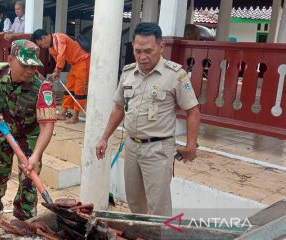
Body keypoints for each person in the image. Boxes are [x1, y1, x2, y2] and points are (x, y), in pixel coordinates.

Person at [95, 22, 200, 216]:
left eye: (148, 51)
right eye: (137, 51)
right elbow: (118, 108)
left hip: (158, 149)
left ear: (161, 47)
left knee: (158, 207)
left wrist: (191, 145)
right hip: (132, 147)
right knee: (135, 201)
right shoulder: (128, 74)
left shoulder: (175, 75)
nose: (142, 57)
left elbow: (193, 110)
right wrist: (104, 137)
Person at [0, 39, 57, 222]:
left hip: (30, 135)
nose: (30, 70)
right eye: (25, 65)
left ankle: (24, 216)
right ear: (10, 59)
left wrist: (36, 155)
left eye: (34, 66)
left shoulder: (42, 87)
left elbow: (47, 126)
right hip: (3, 130)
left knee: (28, 179)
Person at [32, 29, 90, 124]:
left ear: (43, 38)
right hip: (74, 64)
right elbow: (58, 60)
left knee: (79, 90)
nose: (43, 47)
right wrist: (56, 72)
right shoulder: (51, 48)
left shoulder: (59, 38)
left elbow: (61, 56)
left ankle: (75, 116)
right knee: (69, 88)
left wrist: (57, 71)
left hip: (83, 60)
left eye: (41, 44)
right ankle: (63, 112)